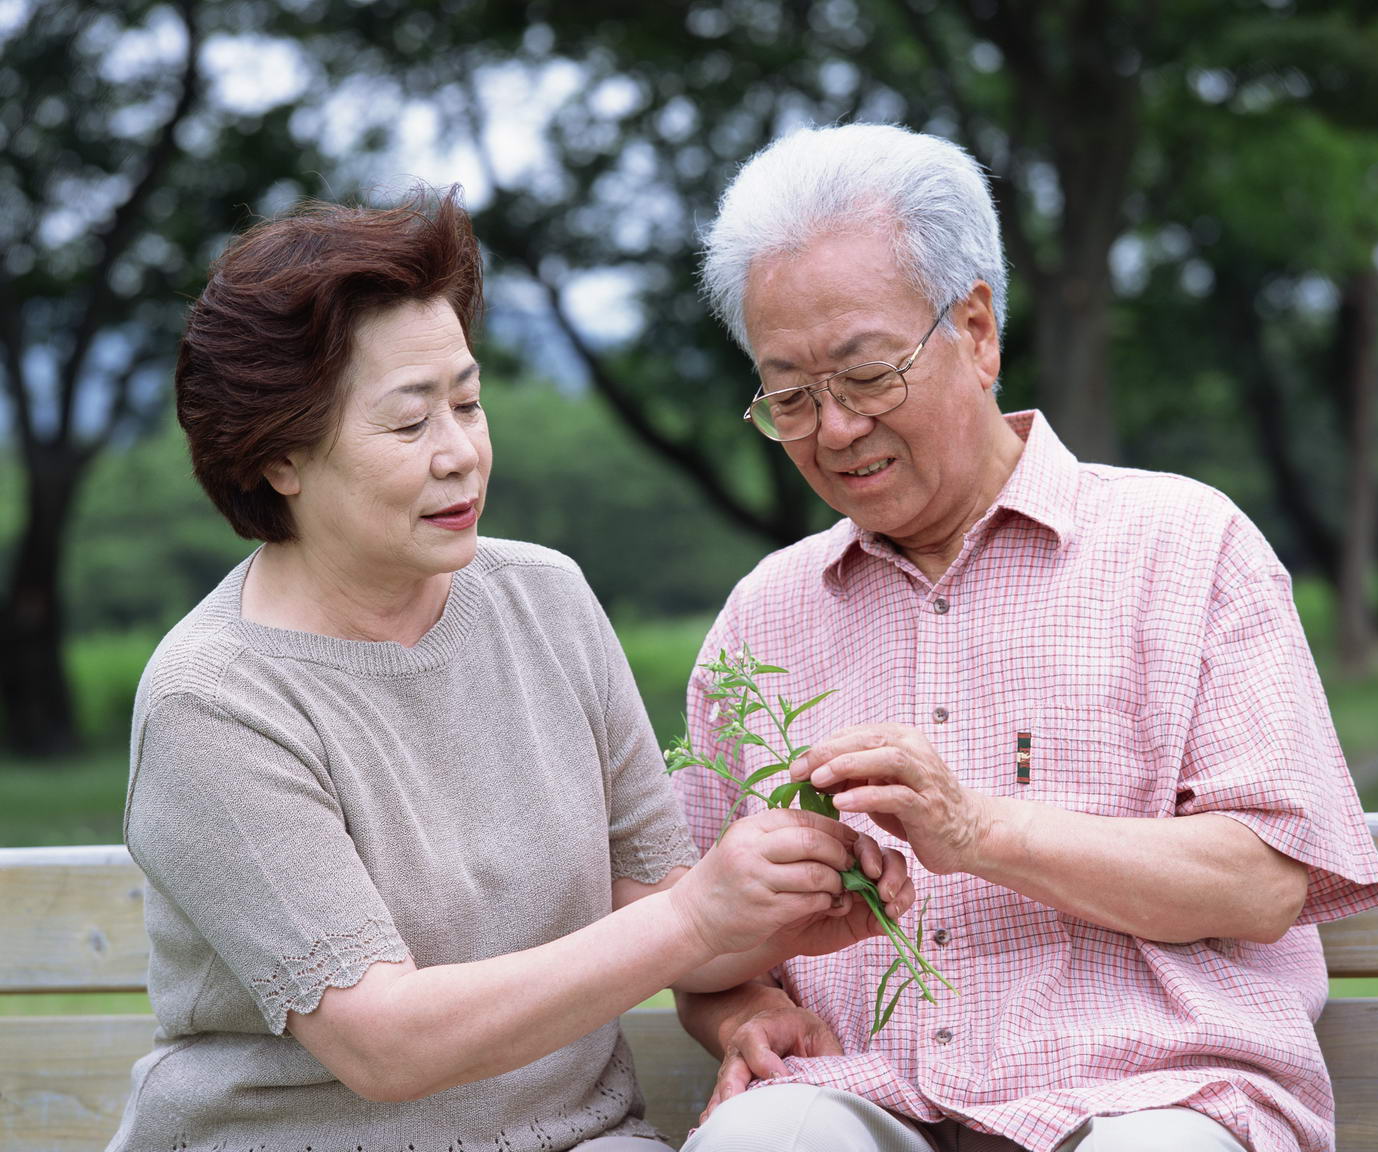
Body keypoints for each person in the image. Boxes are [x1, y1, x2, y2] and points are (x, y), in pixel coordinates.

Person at [109, 188, 915, 1152]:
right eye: (410, 426)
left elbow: (647, 899)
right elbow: (386, 1045)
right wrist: (700, 919)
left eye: (467, 401)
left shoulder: (548, 599)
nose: (461, 455)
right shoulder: (216, 700)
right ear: (279, 457)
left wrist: (775, 931)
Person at [671, 124, 1378, 1152]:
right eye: (789, 396)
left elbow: (1266, 879)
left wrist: (976, 833)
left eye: (866, 375)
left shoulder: (1186, 546)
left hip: (1153, 1100)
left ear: (976, 331)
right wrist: (740, 1013)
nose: (833, 430)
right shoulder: (764, 616)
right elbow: (696, 930)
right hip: (873, 1100)